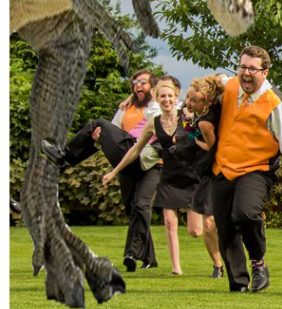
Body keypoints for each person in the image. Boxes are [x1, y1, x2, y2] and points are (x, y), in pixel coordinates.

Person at [211, 46, 282, 293]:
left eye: (252, 69)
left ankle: (258, 263)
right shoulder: (228, 86)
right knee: (225, 229)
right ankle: (239, 284)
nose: (246, 74)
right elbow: (208, 89)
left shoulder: (276, 104)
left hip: (256, 169)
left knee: (245, 213)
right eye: (242, 67)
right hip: (222, 168)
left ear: (265, 72)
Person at [40, 68, 161, 271]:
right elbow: (112, 131)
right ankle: (149, 256)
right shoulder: (126, 108)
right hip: (127, 157)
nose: (138, 85)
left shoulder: (156, 105)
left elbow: (162, 114)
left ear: (152, 86)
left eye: (143, 82)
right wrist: (99, 138)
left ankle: (65, 158)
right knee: (132, 208)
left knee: (141, 207)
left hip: (149, 162)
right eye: (135, 82)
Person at [102, 77, 200, 275]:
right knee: (170, 222)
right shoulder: (153, 123)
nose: (166, 99)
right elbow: (135, 150)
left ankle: (218, 262)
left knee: (196, 231)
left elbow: (205, 138)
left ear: (176, 97)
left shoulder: (188, 117)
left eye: (170, 96)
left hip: (191, 174)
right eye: (162, 96)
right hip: (169, 174)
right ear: (157, 98)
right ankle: (176, 269)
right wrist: (114, 171)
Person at [183, 74, 227, 278]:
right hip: (206, 174)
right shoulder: (203, 113)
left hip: (216, 166)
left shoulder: (205, 123)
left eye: (193, 100)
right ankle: (217, 265)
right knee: (208, 223)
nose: (188, 102)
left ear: (207, 100)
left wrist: (192, 138)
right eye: (188, 97)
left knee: (217, 222)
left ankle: (228, 258)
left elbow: (209, 145)